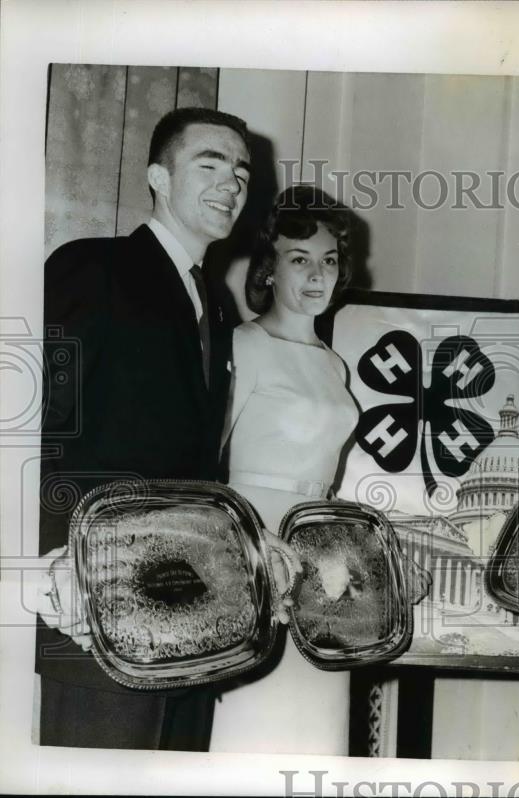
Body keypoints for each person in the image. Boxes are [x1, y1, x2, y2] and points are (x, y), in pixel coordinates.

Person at [37, 107, 256, 749]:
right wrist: (56, 566)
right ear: (157, 176)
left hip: (191, 614)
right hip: (94, 596)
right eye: (208, 164)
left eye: (241, 172)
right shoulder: (91, 268)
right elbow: (32, 429)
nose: (230, 184)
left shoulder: (215, 304)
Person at [209, 184, 360, 755]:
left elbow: (326, 477)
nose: (317, 275)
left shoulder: (333, 364)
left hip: (322, 555)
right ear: (270, 269)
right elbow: (211, 462)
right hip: (256, 546)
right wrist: (243, 551)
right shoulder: (243, 345)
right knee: (255, 722)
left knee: (316, 726)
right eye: (300, 260)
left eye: (329, 260)